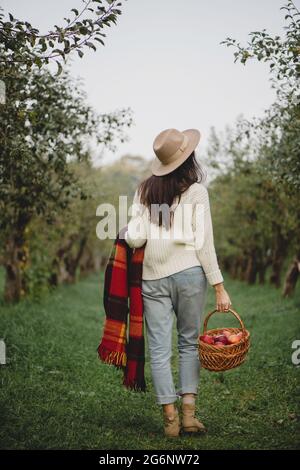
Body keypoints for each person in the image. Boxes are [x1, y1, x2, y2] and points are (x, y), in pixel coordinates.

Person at [124, 128, 231, 437]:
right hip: (189, 275)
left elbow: (136, 237)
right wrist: (218, 286)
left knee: (158, 349)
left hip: (152, 278)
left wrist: (132, 227)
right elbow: (204, 243)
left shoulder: (144, 190)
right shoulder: (196, 191)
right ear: (188, 158)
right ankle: (188, 416)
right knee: (188, 343)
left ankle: (169, 419)